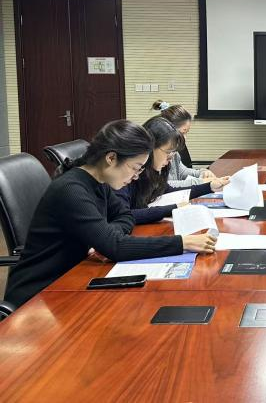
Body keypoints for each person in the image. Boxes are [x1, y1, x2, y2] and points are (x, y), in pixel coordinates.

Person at [5, 120, 216, 308]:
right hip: (39, 295)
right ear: (111, 158)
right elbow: (116, 247)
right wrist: (182, 242)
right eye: (135, 168)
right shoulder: (71, 190)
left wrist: (106, 236)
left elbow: (126, 217)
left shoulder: (100, 182)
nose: (136, 176)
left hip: (74, 277)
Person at [115, 116, 229, 224]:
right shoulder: (126, 174)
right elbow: (125, 215)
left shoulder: (152, 171)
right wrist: (173, 208)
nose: (170, 159)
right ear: (151, 147)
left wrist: (209, 187)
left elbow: (165, 189)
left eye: (173, 153)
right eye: (168, 152)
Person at [152, 100, 215, 188]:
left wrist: (202, 172)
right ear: (168, 130)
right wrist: (201, 181)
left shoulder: (175, 152)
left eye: (186, 133)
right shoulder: (157, 154)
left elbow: (182, 172)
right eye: (183, 132)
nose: (185, 138)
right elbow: (165, 186)